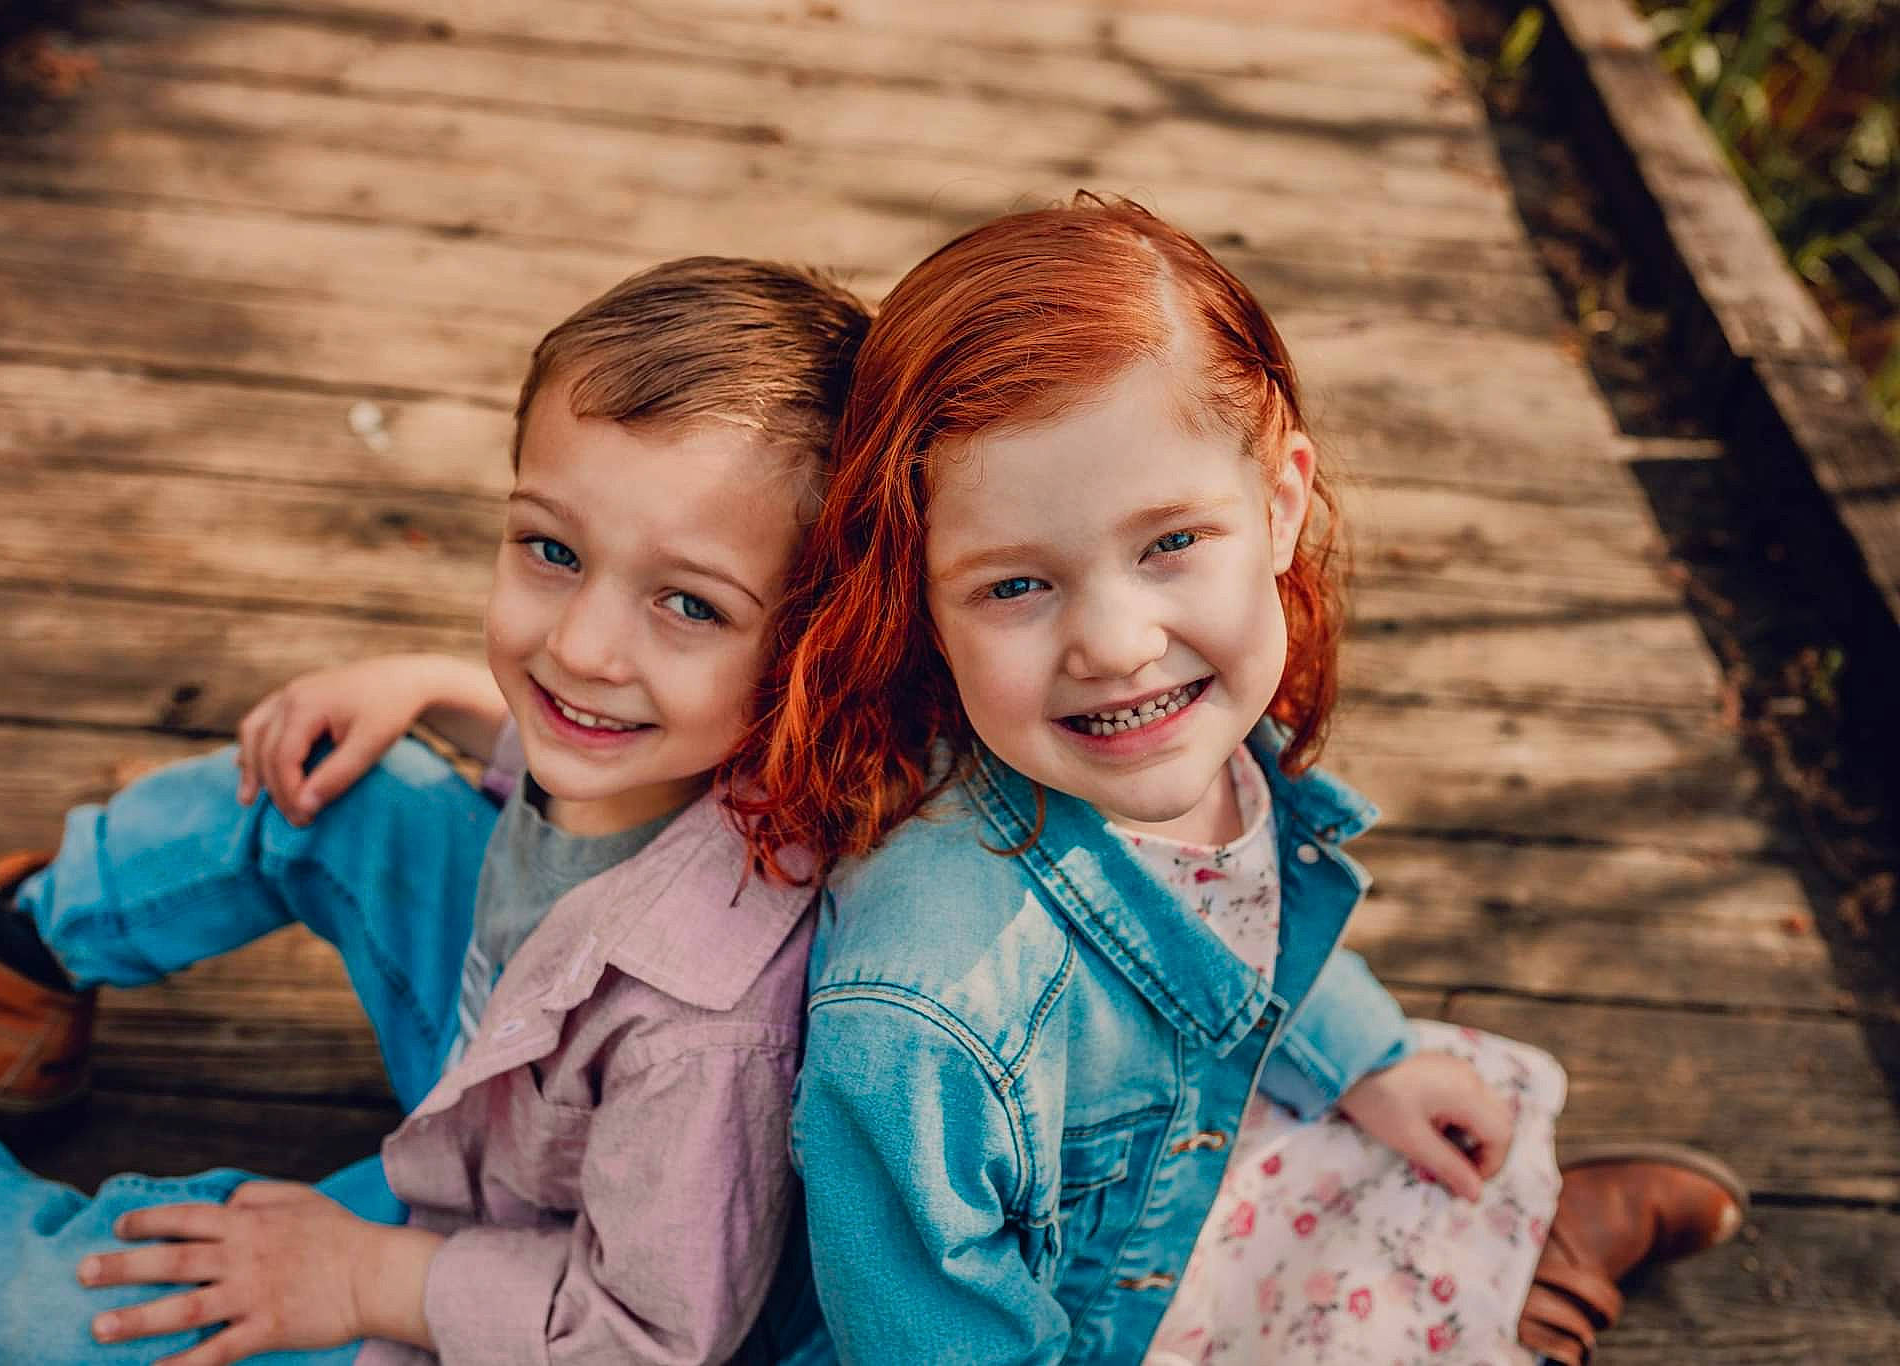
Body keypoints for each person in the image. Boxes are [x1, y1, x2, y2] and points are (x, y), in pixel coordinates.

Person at [734, 198, 1745, 1365]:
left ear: (1277, 507)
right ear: (920, 601)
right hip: (1074, 1325)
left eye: (1168, 543)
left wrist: (1360, 1053)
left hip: (1190, 1167)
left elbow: (1232, 940)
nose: (1114, 644)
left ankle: (1524, 1251)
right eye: (1014, 584)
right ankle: (1539, 1281)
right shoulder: (919, 1012)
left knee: (1450, 1136)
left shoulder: (1182, 735)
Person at [0, 255, 869, 1366]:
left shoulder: (710, 1039)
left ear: (818, 647)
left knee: (122, 1312)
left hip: (505, 1251)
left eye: (687, 603)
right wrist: (436, 688)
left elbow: (647, 1335)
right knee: (335, 769)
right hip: (498, 1051)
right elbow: (613, 733)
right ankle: (5, 964)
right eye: (551, 549)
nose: (578, 646)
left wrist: (360, 1275)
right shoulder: (668, 735)